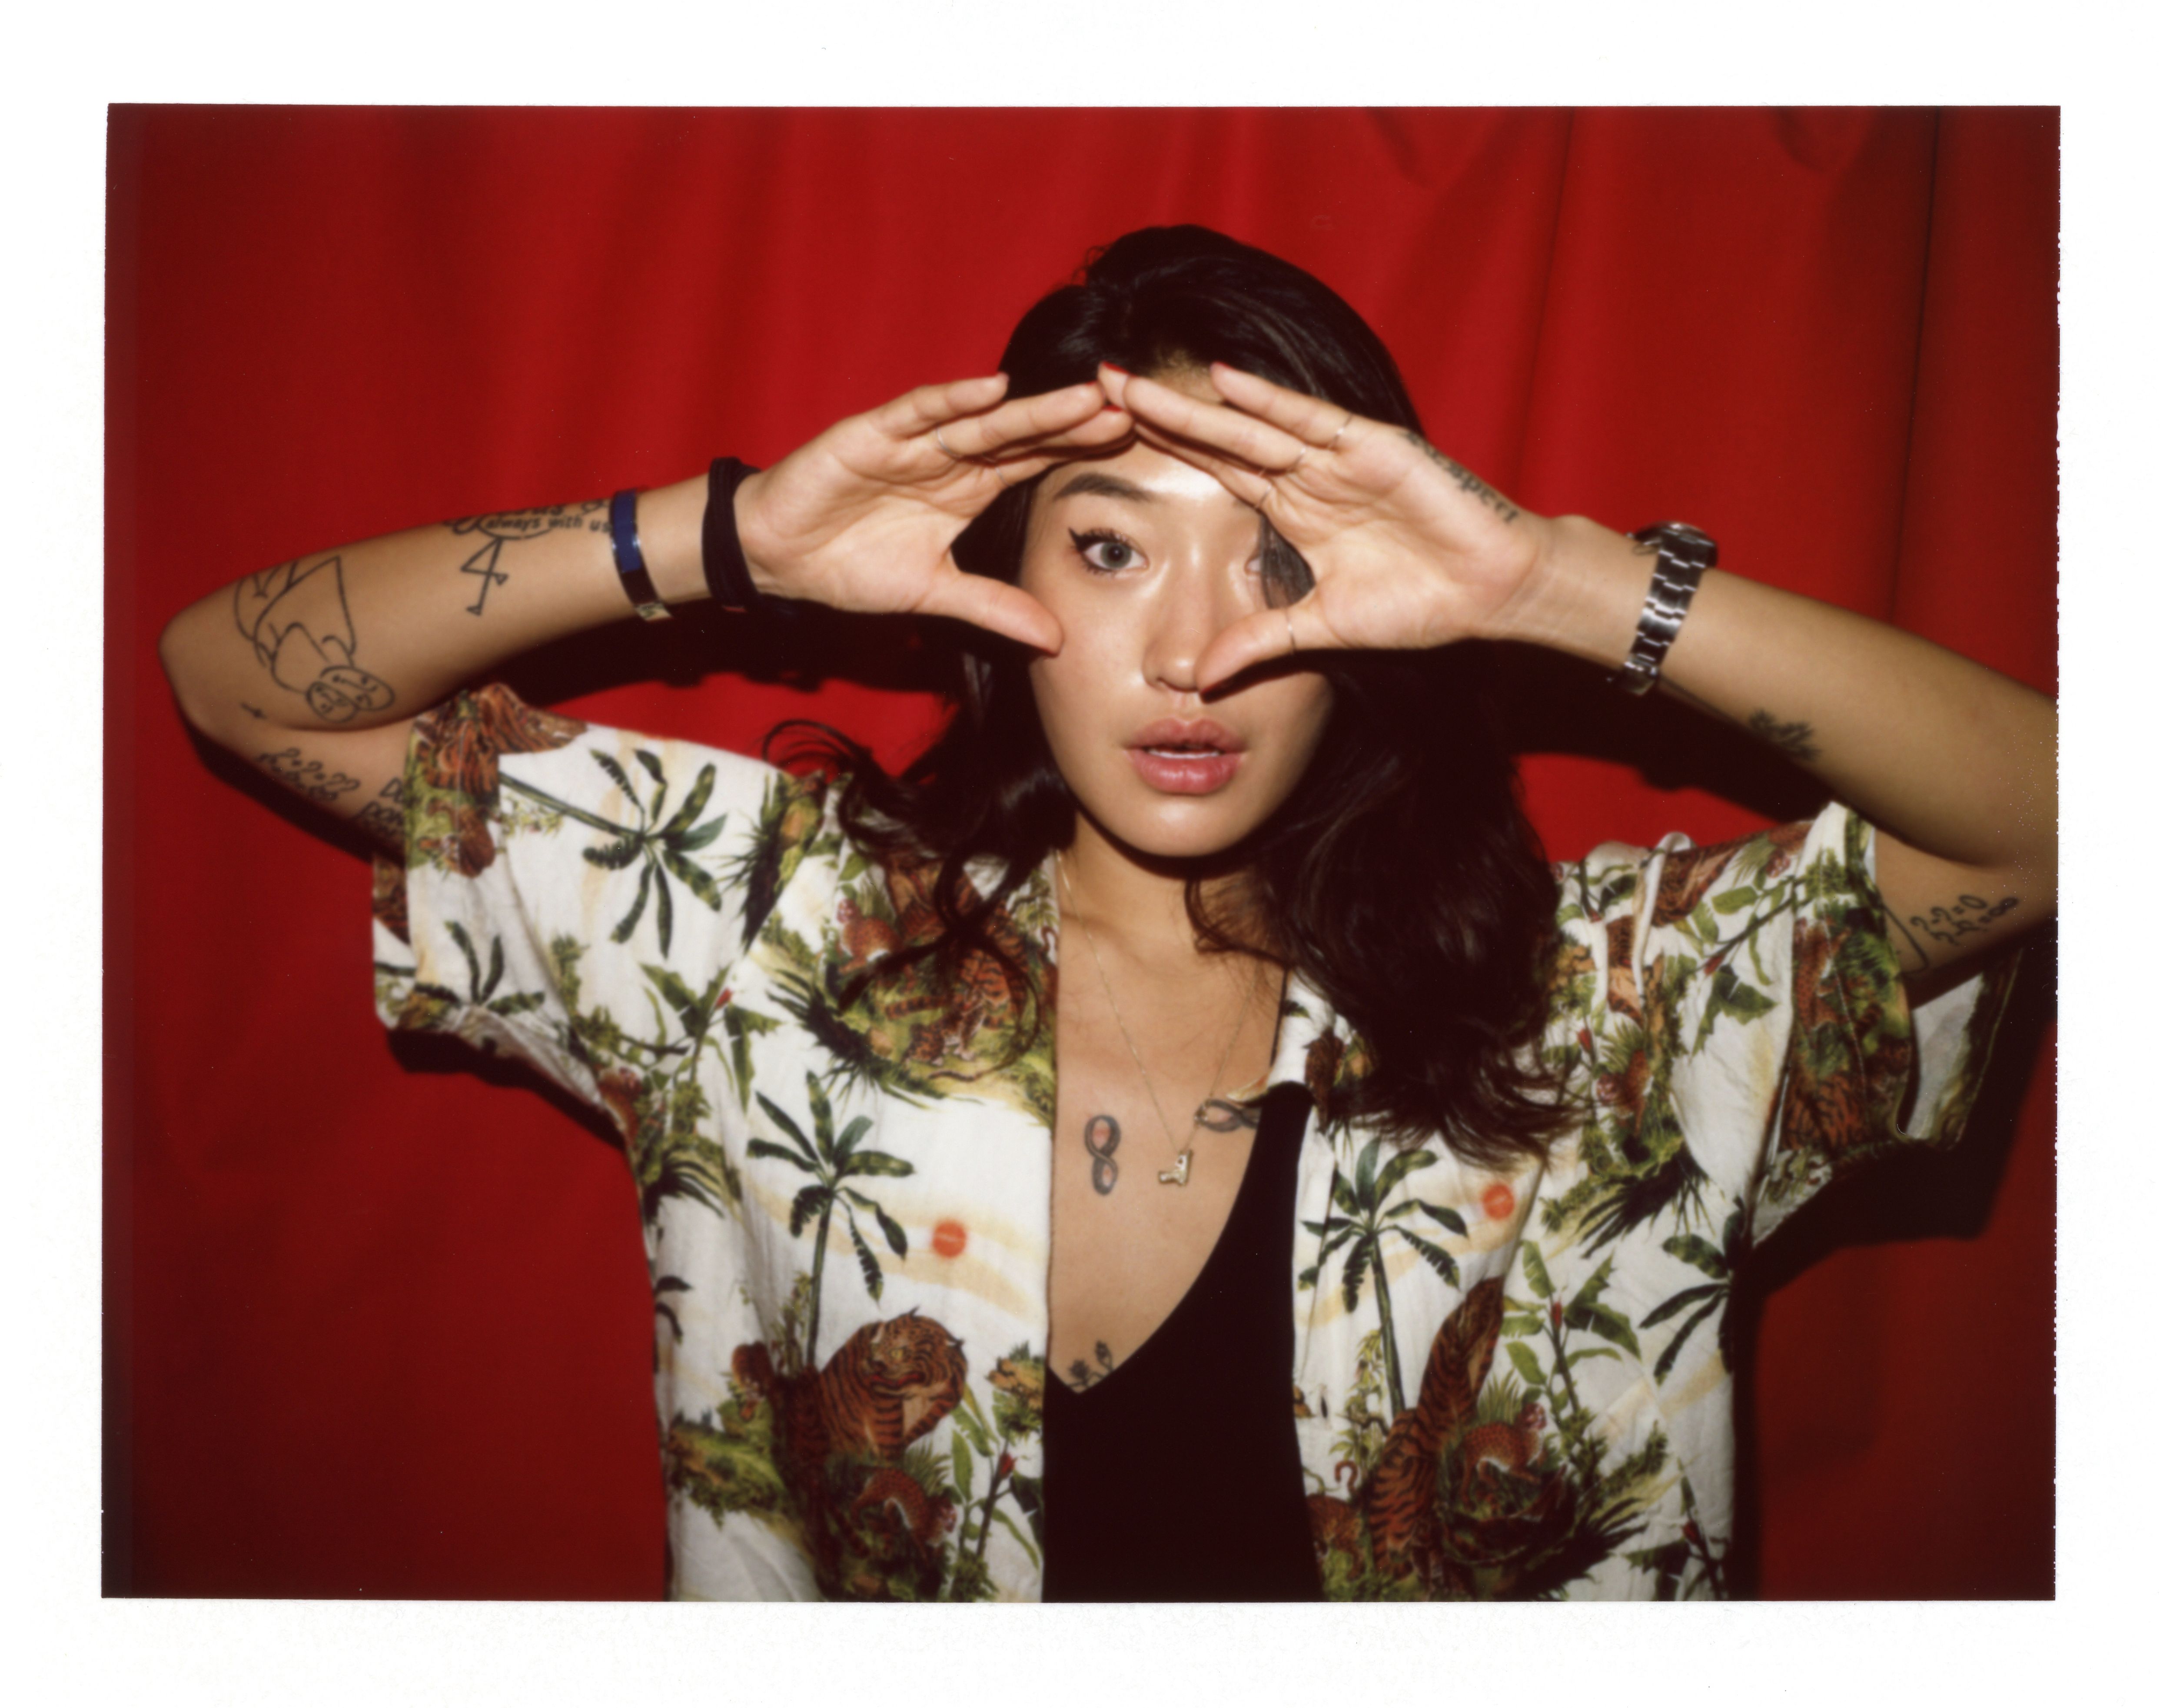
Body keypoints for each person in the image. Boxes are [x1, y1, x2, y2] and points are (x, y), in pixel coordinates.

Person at [158, 225, 2053, 1602]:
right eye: (1113, 545)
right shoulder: (763, 935)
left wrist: (1556, 583)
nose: (1193, 650)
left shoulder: (1599, 1009)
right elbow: (235, 679)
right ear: (1009, 586)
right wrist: (727, 537)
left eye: (1280, 563)